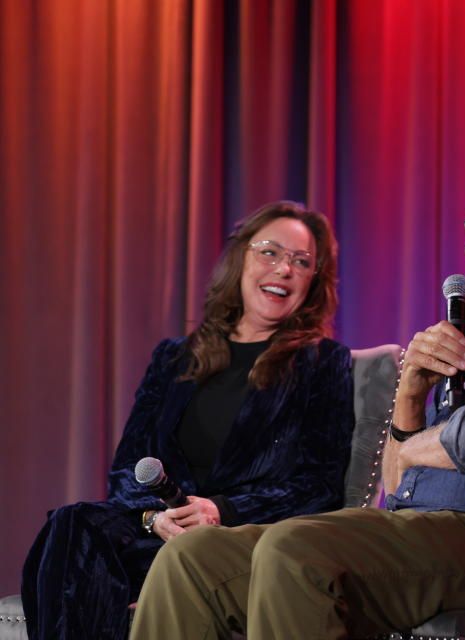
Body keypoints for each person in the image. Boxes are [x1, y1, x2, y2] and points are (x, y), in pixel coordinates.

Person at [127, 142, 465, 639]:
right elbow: (400, 482)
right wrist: (410, 395)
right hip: (424, 531)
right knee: (191, 560)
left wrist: (424, 445)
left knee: (296, 549)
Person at [21, 201, 355, 640]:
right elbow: (127, 467)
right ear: (240, 258)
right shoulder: (175, 357)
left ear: (313, 281)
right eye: (270, 252)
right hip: (154, 530)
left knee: (89, 575)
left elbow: (320, 485)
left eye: (301, 261)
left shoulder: (322, 363)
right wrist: (152, 517)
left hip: (237, 536)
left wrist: (220, 510)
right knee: (71, 523)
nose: (284, 269)